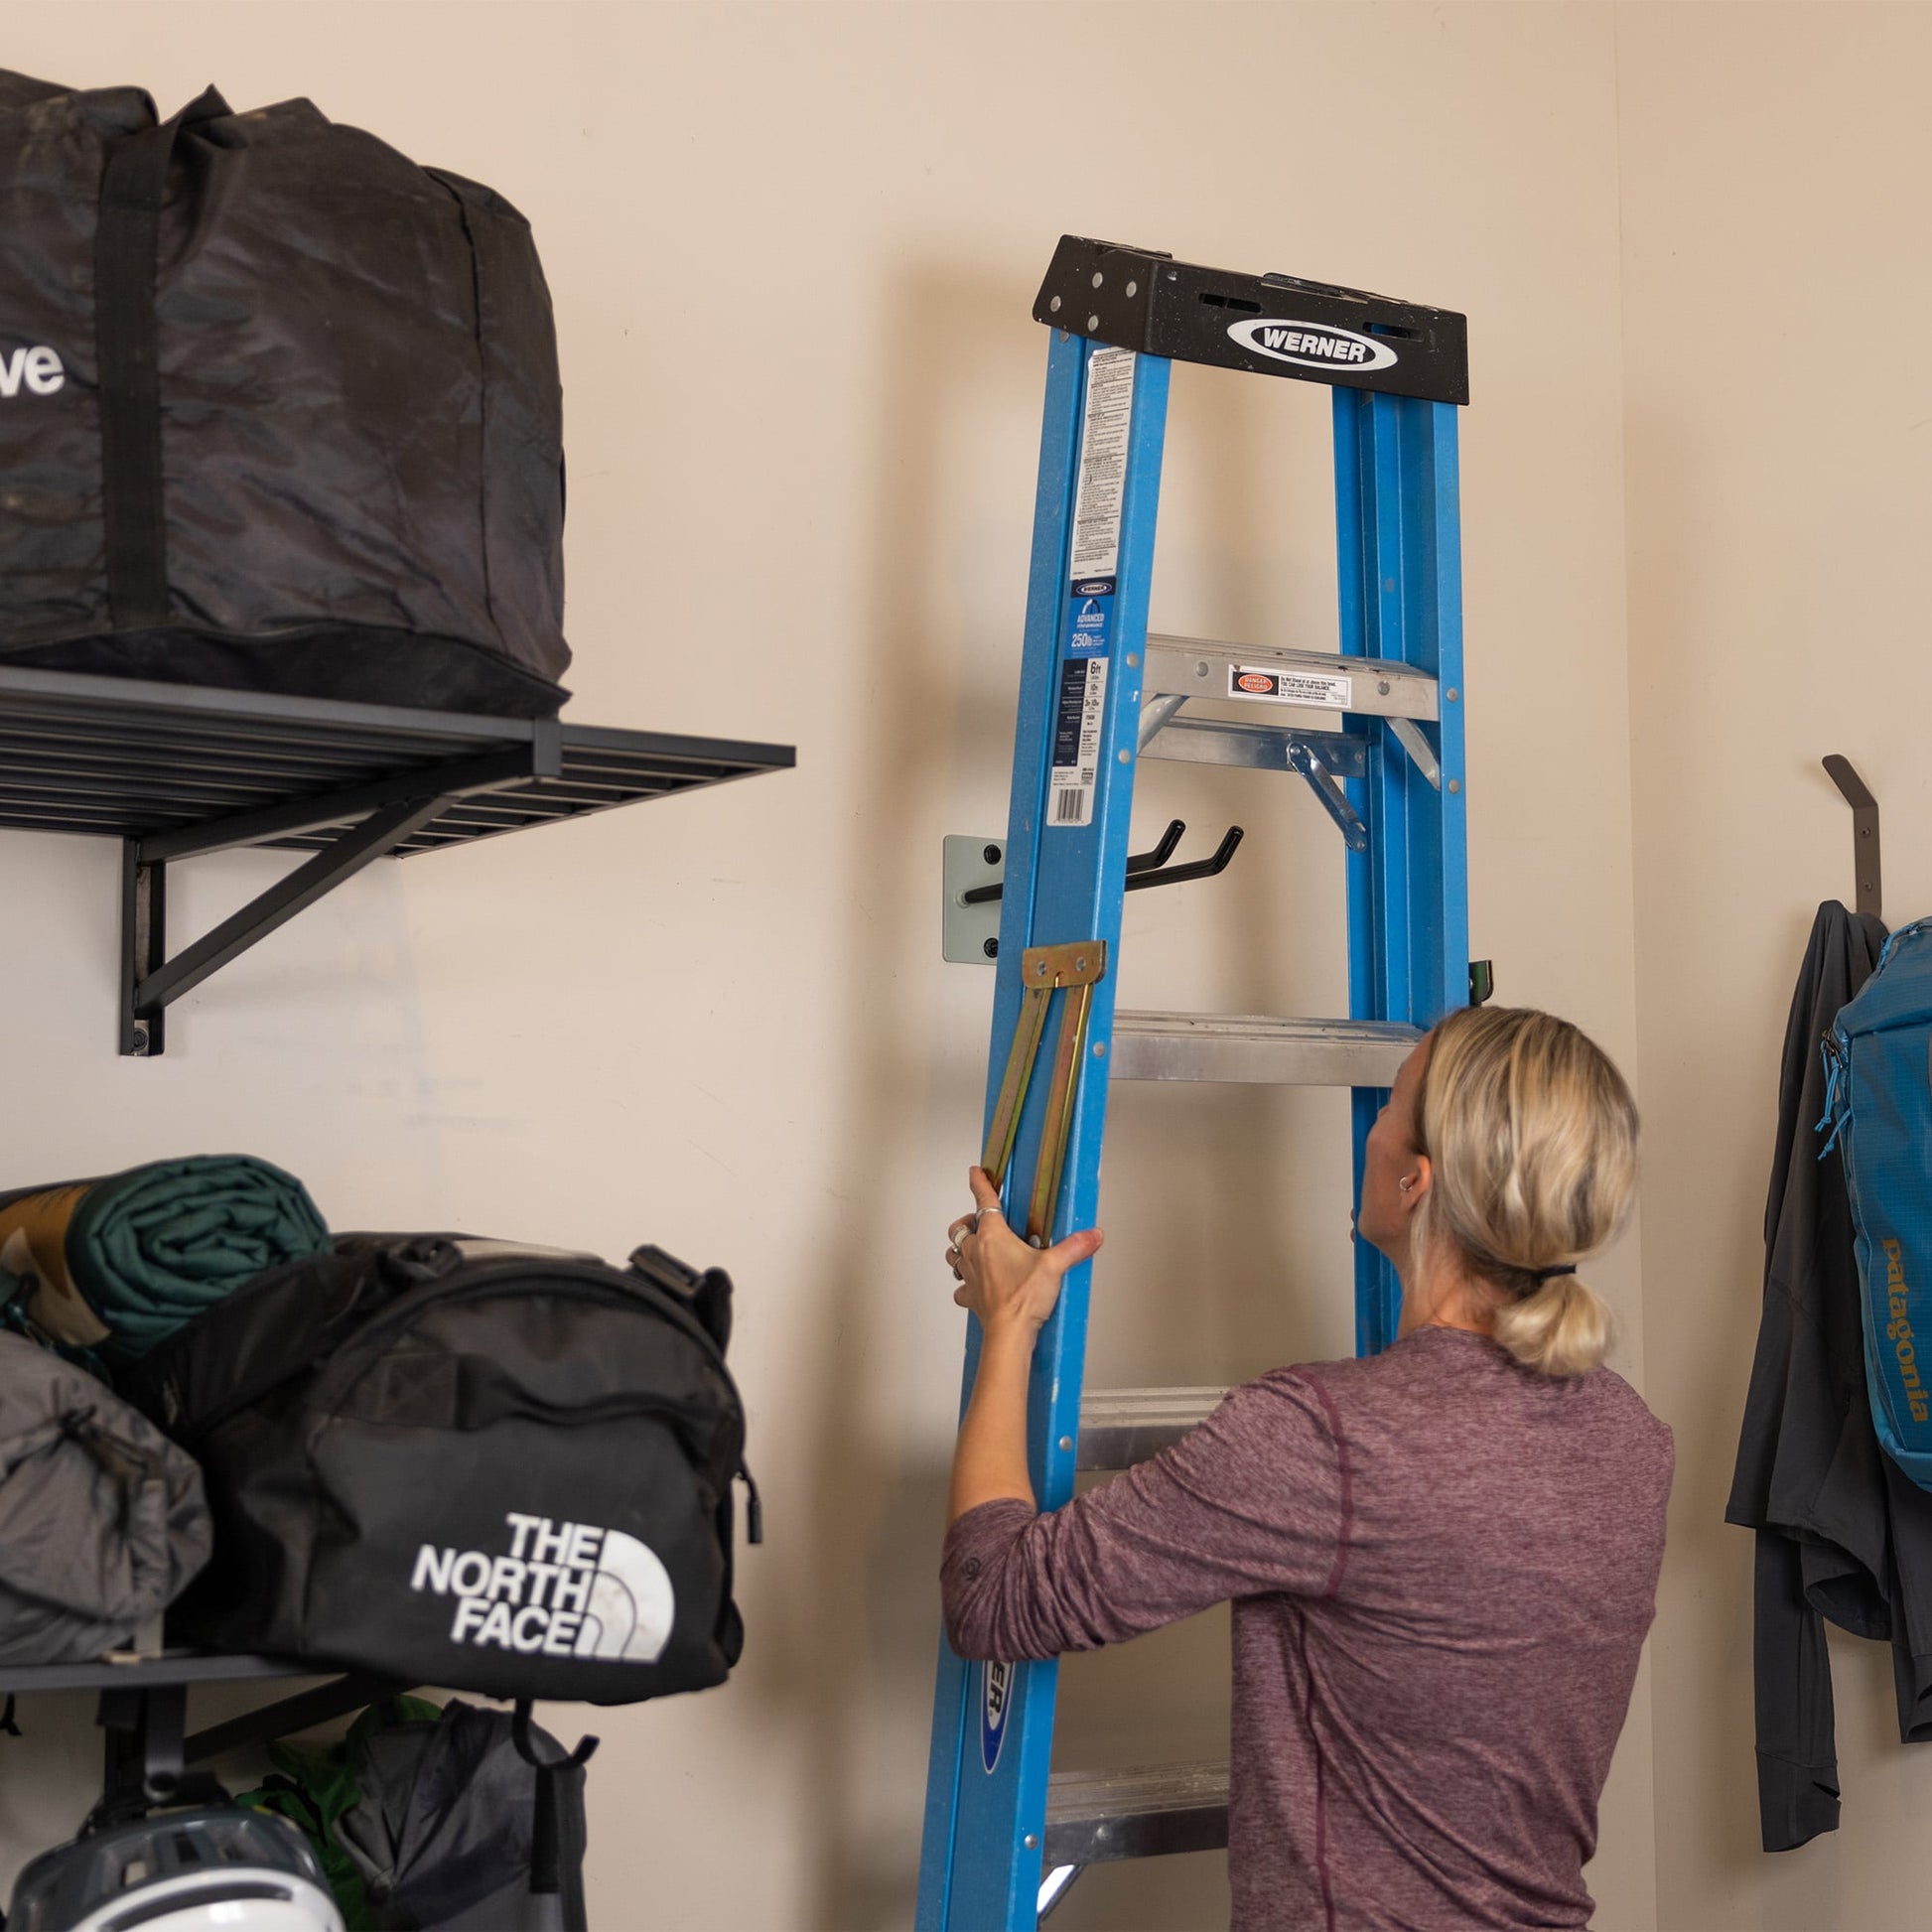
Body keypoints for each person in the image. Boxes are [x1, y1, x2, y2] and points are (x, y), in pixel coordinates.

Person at [940, 1005, 1673, 1931]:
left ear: (1414, 1180)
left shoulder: (1327, 1437)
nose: (1371, 1125)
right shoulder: (1632, 1440)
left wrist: (1009, 1322)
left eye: (1389, 1104)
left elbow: (995, 1595)